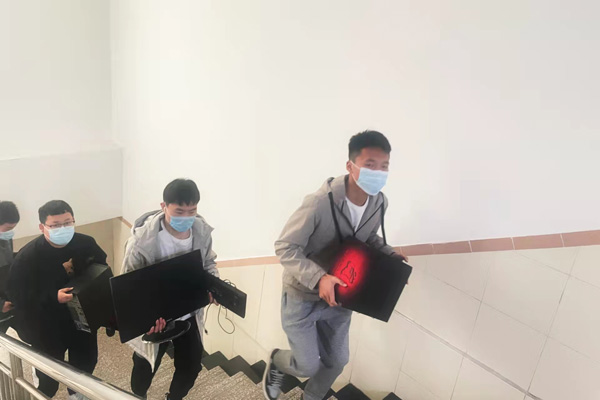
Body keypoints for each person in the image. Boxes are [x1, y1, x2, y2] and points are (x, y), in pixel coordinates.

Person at [263, 130, 406, 400]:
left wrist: (390, 255)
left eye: (384, 166)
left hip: (342, 297)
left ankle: (311, 397)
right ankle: (277, 360)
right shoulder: (318, 203)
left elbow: (366, 238)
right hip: (302, 297)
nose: (378, 172)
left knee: (337, 361)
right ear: (350, 166)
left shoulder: (379, 202)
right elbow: (285, 246)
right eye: (370, 165)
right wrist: (320, 278)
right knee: (306, 366)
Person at [122, 178, 219, 400]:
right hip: (156, 317)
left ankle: (174, 397)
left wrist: (213, 284)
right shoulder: (141, 242)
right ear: (163, 206)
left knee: (191, 366)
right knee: (145, 365)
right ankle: (138, 395)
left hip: (189, 311)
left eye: (192, 211)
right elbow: (129, 285)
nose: (186, 217)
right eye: (179, 211)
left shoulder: (201, 232)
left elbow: (208, 263)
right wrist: (146, 317)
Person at [7, 200, 107, 399]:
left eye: (68, 222)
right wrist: (53, 297)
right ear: (42, 227)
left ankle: (77, 395)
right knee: (48, 376)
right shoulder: (28, 257)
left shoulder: (86, 243)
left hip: (82, 319)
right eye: (55, 225)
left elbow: (101, 269)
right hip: (46, 326)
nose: (63, 228)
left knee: (85, 366)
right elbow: (18, 296)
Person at [0, 201, 20, 331]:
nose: (10, 233)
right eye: (8, 229)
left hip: (7, 297)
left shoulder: (5, 237)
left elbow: (6, 259)